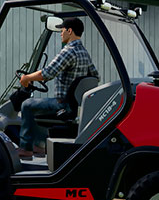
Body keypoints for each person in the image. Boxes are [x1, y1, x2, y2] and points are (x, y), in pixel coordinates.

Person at [17, 17, 99, 159]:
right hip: (74, 105)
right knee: (38, 105)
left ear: (69, 31)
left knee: (27, 105)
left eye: (62, 30)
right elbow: (95, 76)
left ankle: (26, 148)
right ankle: (40, 146)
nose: (61, 33)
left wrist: (27, 78)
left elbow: (48, 73)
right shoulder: (84, 52)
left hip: (63, 104)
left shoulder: (69, 51)